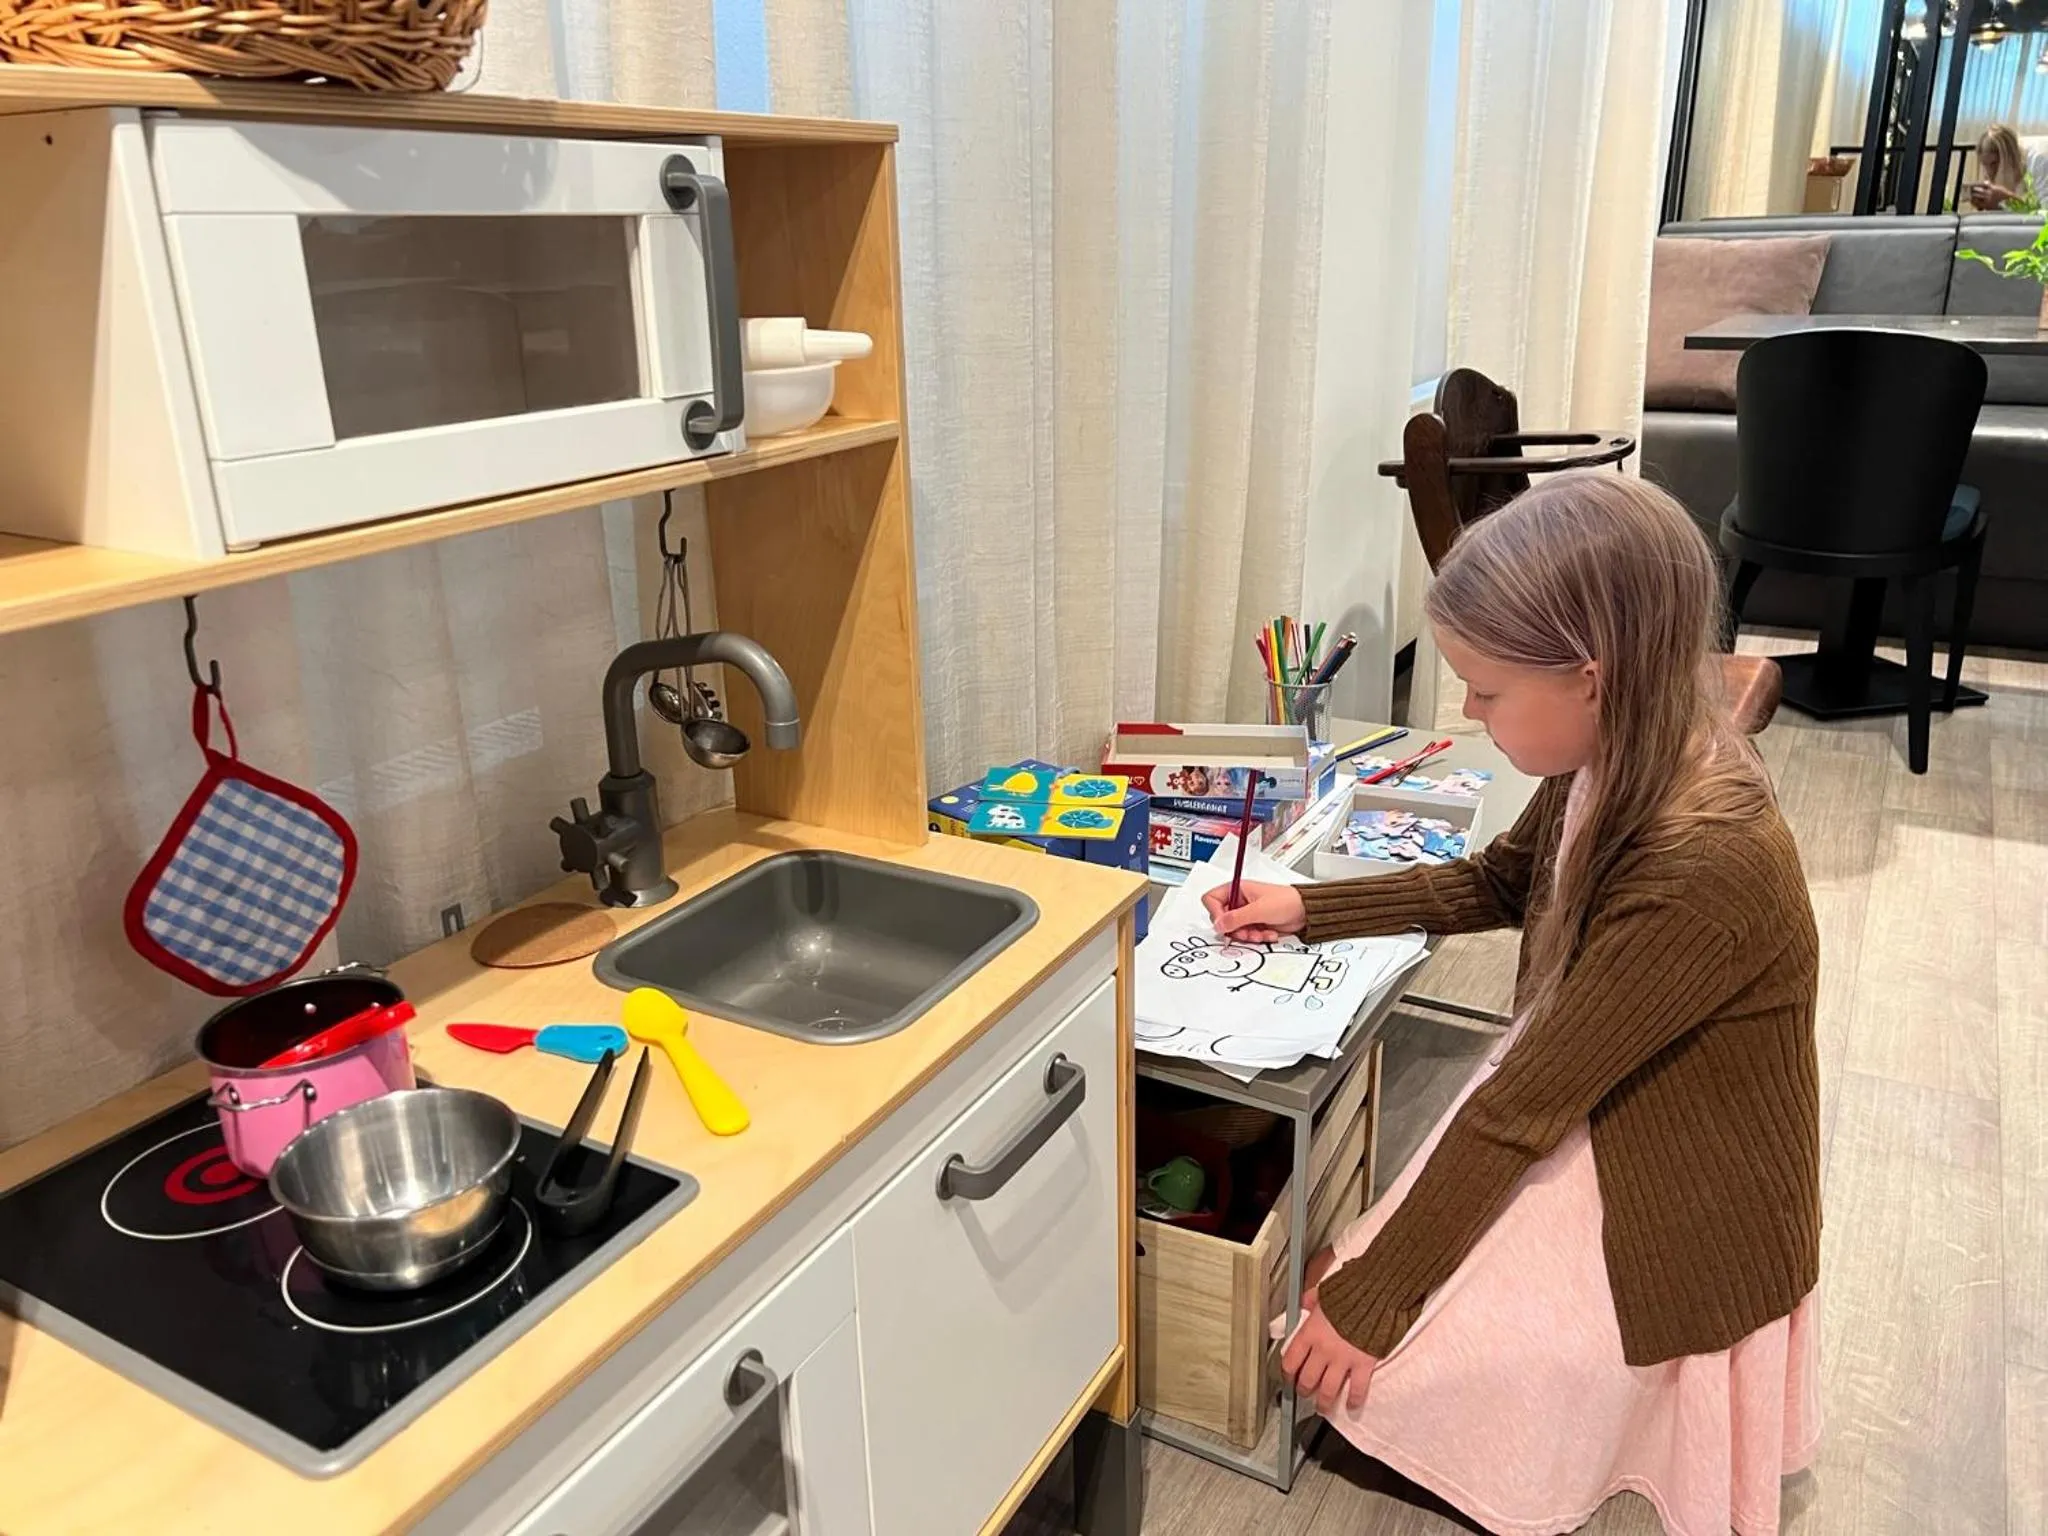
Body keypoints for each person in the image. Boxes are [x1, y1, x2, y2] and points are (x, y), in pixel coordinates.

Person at [1203, 474, 1821, 1536]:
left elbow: (1519, 1108)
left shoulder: (1701, 861)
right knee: (1369, 1295)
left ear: (1592, 677)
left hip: (1683, 1182)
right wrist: (1306, 905)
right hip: (1598, 1097)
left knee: (1375, 1364)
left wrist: (1369, 1308)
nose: (1470, 719)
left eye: (1485, 694)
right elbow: (1495, 881)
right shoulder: (1615, 754)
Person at [1967, 123, 2031, 209]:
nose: (1989, 172)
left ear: (2010, 156)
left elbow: (2039, 215)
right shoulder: (1993, 184)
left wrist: (2008, 197)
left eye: (1994, 163)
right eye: (1985, 164)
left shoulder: (2032, 177)